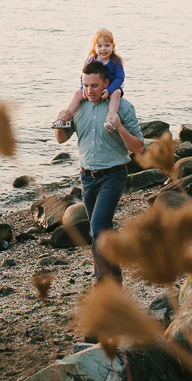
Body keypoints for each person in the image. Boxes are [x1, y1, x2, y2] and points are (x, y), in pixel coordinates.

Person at [54, 60, 144, 283]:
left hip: (113, 176)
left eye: (94, 85)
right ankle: (114, 282)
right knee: (100, 232)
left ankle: (103, 288)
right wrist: (60, 122)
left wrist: (120, 126)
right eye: (85, 85)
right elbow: (61, 140)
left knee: (97, 227)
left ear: (106, 83)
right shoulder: (79, 107)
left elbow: (139, 148)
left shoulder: (122, 107)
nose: (89, 91)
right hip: (87, 178)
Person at [53, 30, 125, 132]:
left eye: (107, 45)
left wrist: (109, 90)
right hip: (95, 87)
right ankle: (65, 118)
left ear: (113, 46)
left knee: (116, 93)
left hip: (112, 87)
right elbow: (83, 76)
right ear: (94, 47)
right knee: (78, 93)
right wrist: (84, 90)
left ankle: (110, 120)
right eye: (99, 46)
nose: (103, 49)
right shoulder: (92, 59)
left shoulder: (115, 60)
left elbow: (120, 78)